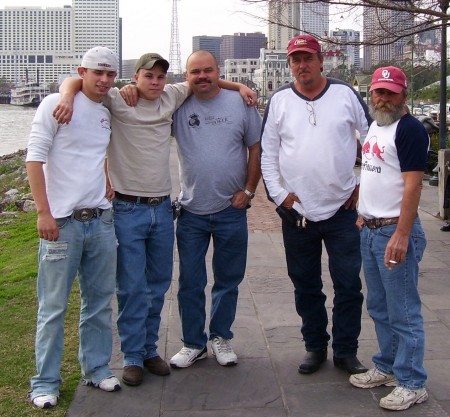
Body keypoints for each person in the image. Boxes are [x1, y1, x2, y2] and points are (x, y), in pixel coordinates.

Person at [55, 52, 257, 386]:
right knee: (132, 286)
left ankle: (151, 349)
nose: (154, 82)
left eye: (160, 77)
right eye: (148, 76)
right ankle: (135, 355)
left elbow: (202, 79)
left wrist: (238, 85)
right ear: (135, 78)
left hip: (163, 209)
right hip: (128, 209)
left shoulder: (172, 96)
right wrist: (65, 95)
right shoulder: (118, 100)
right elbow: (81, 82)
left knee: (159, 285)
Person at [260, 35, 371, 375]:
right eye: (295, 59)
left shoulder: (344, 94)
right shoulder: (279, 100)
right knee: (306, 284)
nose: (302, 65)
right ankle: (315, 346)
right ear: (289, 64)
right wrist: (279, 196)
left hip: (342, 210)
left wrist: (363, 187)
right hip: (298, 215)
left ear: (321, 61)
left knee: (349, 284)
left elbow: (374, 142)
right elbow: (268, 154)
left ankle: (346, 350)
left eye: (308, 58)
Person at [26, 46, 121, 409]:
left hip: (99, 220)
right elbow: (35, 158)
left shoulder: (104, 111)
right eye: (97, 72)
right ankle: (45, 382)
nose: (104, 80)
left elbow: (98, 154)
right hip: (62, 224)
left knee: (98, 304)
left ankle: (96, 368)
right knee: (53, 308)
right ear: (82, 71)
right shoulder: (55, 103)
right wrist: (43, 212)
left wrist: (107, 180)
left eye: (110, 74)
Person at [169, 50, 262, 368]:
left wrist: (249, 191)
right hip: (192, 211)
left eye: (208, 71)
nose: (202, 77)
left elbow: (255, 147)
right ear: (187, 75)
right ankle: (192, 342)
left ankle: (220, 337)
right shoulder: (177, 103)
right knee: (190, 281)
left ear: (217, 71)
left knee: (228, 279)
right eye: (195, 72)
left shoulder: (241, 103)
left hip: (230, 210)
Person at [350, 66, 429, 411]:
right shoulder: (376, 124)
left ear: (404, 95)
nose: (382, 99)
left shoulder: (409, 129)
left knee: (404, 310)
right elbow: (374, 171)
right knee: (379, 305)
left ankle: (412, 381)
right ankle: (387, 365)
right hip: (370, 227)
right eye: (378, 92)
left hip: (393, 231)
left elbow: (413, 185)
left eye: (390, 93)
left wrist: (402, 232)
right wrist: (363, 210)